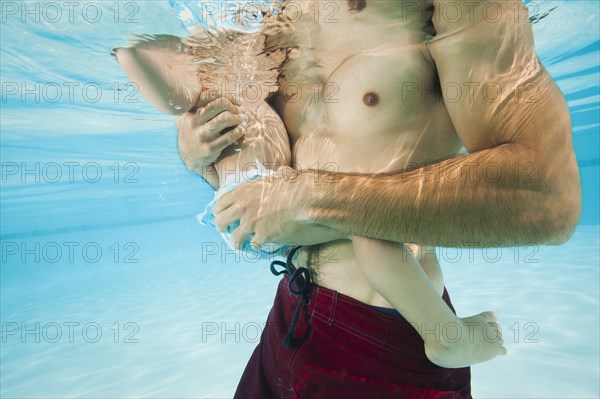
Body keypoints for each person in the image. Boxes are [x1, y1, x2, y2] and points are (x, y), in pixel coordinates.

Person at [187, 0, 582, 397]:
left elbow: (549, 196)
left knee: (375, 243)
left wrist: (308, 198)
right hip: (287, 317)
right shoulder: (273, 16)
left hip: (386, 336)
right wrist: (205, 155)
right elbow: (270, 185)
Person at [114, 0, 507, 375]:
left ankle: (448, 337)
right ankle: (446, 337)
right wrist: (194, 156)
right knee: (368, 228)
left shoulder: (436, 34)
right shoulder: (272, 53)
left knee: (370, 228)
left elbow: (504, 189)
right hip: (289, 312)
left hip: (382, 332)